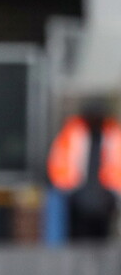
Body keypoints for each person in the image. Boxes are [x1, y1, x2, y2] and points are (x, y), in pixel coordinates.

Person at [47, 102, 121, 240]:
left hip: (105, 199)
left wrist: (113, 192)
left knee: (102, 239)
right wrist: (70, 189)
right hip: (77, 197)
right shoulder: (73, 132)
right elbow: (59, 162)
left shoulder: (113, 135)